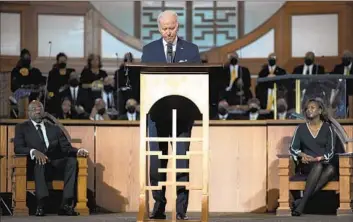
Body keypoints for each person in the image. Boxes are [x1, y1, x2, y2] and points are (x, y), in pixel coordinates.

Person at [141, 10, 201, 220]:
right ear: (159, 28)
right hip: (157, 115)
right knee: (157, 163)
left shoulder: (192, 50)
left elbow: (197, 81)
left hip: (183, 115)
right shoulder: (149, 50)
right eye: (164, 28)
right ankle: (159, 206)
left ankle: (181, 209)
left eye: (172, 28)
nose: (168, 32)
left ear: (178, 25)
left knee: (182, 162)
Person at [13, 100, 89, 216]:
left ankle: (66, 204)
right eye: (34, 109)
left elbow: (66, 147)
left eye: (40, 109)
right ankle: (41, 204)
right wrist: (33, 152)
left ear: (43, 112)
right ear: (29, 112)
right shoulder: (22, 127)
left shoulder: (54, 128)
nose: (37, 110)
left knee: (72, 161)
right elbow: (18, 148)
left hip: (54, 165)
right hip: (35, 167)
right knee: (40, 161)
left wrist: (78, 151)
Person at [289, 98, 337, 216]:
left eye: (312, 108)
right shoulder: (300, 129)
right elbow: (292, 148)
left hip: (324, 164)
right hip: (307, 166)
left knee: (329, 168)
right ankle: (302, 204)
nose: (309, 110)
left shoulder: (328, 128)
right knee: (319, 167)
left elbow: (330, 152)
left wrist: (318, 158)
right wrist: (302, 155)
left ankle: (301, 202)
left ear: (320, 111)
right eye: (307, 108)